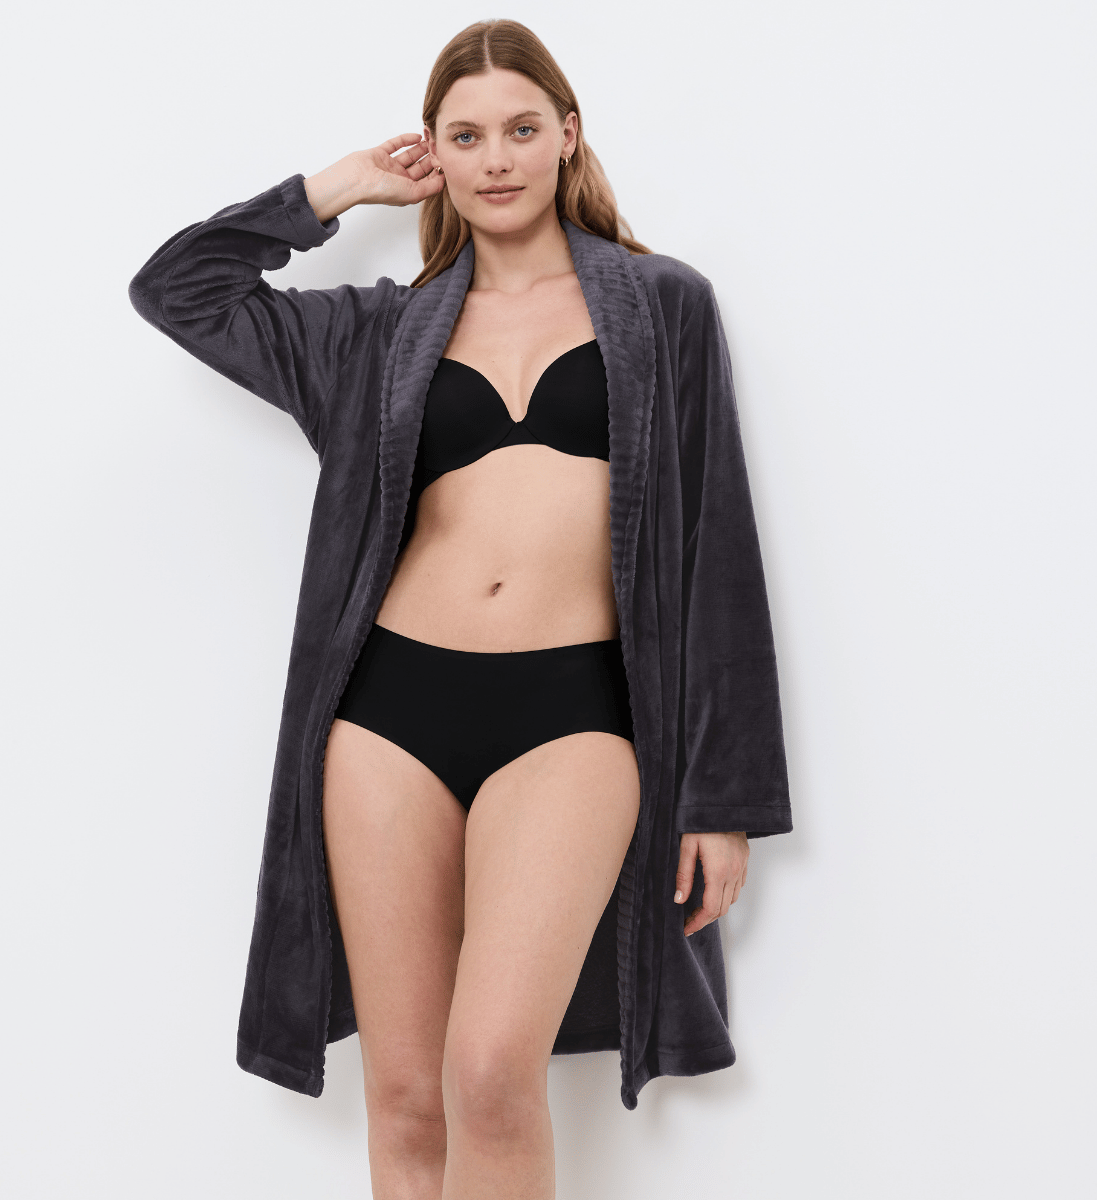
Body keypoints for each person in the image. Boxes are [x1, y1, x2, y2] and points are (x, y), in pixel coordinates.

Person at [129, 18, 791, 1200]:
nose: (496, 159)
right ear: (432, 149)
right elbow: (177, 289)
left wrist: (724, 797)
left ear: (568, 135)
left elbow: (717, 549)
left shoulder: (663, 307)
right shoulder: (380, 331)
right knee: (405, 1094)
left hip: (575, 714)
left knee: (490, 1072)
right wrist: (339, 188)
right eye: (466, 135)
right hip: (388, 714)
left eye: (522, 129)